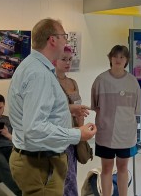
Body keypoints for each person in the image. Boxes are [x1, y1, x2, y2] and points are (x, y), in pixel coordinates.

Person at [8, 18, 97, 196]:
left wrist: (68, 109)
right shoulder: (39, 74)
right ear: (52, 40)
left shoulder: (32, 65)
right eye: (64, 36)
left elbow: (34, 110)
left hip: (37, 159)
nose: (66, 41)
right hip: (40, 163)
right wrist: (78, 134)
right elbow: (34, 128)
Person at [91, 45, 141, 196]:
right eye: (115, 56)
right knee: (106, 168)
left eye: (122, 57)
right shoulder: (101, 80)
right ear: (110, 58)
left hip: (125, 133)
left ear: (126, 60)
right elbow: (96, 106)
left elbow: (136, 109)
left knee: (123, 167)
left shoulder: (133, 82)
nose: (118, 60)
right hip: (105, 132)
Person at [54, 46, 83, 196]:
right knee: (63, 176)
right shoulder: (50, 81)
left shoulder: (73, 82)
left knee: (72, 174)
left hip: (73, 134)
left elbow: (79, 109)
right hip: (58, 134)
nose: (67, 63)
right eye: (63, 59)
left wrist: (81, 130)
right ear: (55, 60)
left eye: (70, 59)